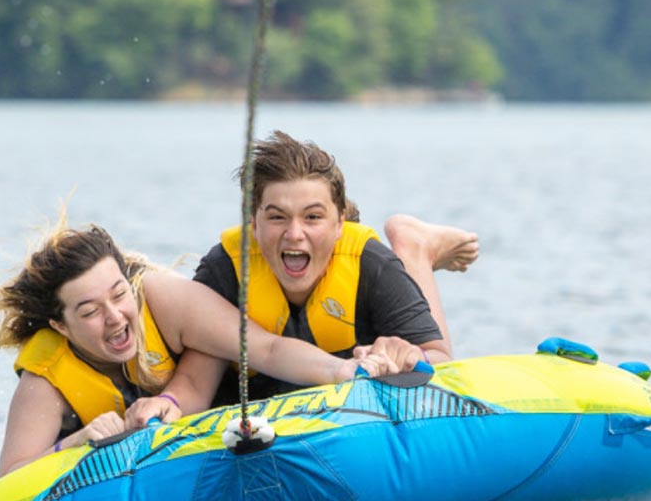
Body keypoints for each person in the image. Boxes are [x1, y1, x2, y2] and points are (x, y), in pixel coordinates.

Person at [0, 222, 397, 477]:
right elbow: (10, 480)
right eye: (90, 311)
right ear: (61, 325)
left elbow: (264, 348)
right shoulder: (47, 378)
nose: (115, 317)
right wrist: (76, 441)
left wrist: (343, 372)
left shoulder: (163, 301)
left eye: (118, 295)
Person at [125, 131, 478, 425]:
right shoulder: (227, 272)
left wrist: (408, 355)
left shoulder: (370, 264)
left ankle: (414, 248)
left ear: (340, 222)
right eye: (277, 217)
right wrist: (168, 402)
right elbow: (196, 381)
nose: (294, 234)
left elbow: (443, 361)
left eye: (312, 217)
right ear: (253, 222)